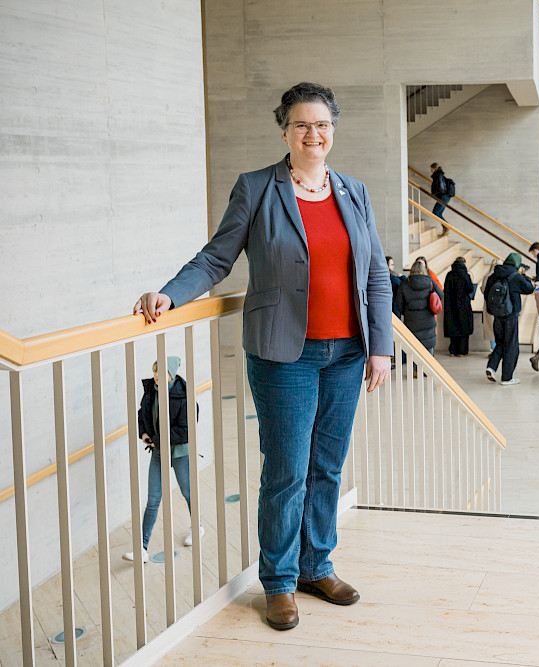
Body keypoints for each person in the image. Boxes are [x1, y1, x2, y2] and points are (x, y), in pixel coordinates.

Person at [134, 83, 392, 630]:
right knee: (286, 473)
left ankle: (315, 566)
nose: (313, 134)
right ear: (285, 132)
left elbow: (374, 273)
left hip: (347, 352)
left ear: (332, 132)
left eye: (322, 125)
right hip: (284, 356)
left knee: (327, 468)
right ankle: (277, 582)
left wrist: (380, 348)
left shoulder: (354, 191)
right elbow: (216, 257)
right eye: (301, 125)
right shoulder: (257, 188)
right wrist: (171, 293)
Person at [122, 356, 199, 563]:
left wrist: (156, 439)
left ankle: (197, 526)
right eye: (155, 370)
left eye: (161, 371)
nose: (156, 375)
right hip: (158, 452)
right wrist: (144, 434)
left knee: (188, 492)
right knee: (153, 499)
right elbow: (142, 415)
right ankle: (142, 548)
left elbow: (185, 430)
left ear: (171, 374)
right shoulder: (151, 393)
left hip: (180, 452)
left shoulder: (184, 396)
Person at [484, 253, 535, 385]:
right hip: (511, 316)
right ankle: (507, 377)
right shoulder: (515, 276)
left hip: (497, 315)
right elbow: (529, 289)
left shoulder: (494, 275)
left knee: (500, 342)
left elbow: (486, 293)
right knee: (511, 346)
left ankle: (491, 366)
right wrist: (523, 275)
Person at [395, 260, 444, 373]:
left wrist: (406, 312)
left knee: (414, 346)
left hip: (411, 320)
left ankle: (416, 370)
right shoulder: (430, 282)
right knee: (428, 344)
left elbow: (399, 304)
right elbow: (441, 295)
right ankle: (428, 369)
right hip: (428, 319)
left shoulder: (405, 284)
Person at [443, 257, 475, 357]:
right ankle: (462, 351)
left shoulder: (449, 274)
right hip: (463, 306)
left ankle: (453, 350)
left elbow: (446, 289)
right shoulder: (465, 275)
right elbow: (470, 289)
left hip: (451, 306)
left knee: (453, 327)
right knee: (464, 328)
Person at [481, 257, 500, 352]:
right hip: (500, 305)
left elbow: (483, 289)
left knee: (490, 327)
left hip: (489, 304)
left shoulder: (487, 276)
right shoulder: (502, 275)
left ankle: (493, 348)